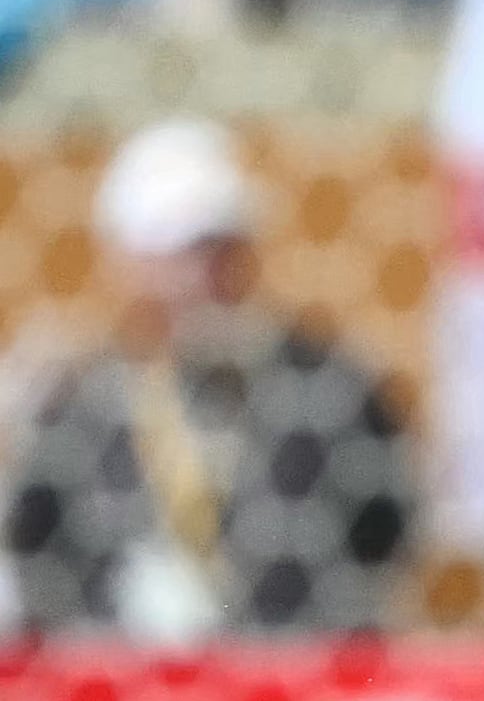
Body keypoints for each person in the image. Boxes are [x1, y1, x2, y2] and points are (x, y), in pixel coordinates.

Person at [6, 117, 416, 641]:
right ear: (129, 263)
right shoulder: (85, 401)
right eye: (187, 251)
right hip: (119, 686)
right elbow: (38, 550)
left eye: (223, 247)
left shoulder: (326, 386)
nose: (208, 274)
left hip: (289, 674)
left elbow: (386, 530)